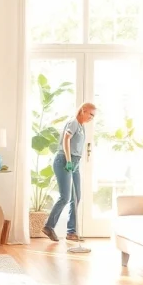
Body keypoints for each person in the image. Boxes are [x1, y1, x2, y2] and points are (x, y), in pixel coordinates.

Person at [43, 102, 96, 242]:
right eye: (90, 114)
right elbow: (66, 140)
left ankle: (71, 232)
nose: (92, 117)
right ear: (83, 111)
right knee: (65, 197)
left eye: (93, 115)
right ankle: (49, 226)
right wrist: (68, 161)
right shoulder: (73, 122)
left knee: (76, 196)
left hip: (75, 163)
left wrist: (74, 162)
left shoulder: (81, 126)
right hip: (64, 161)